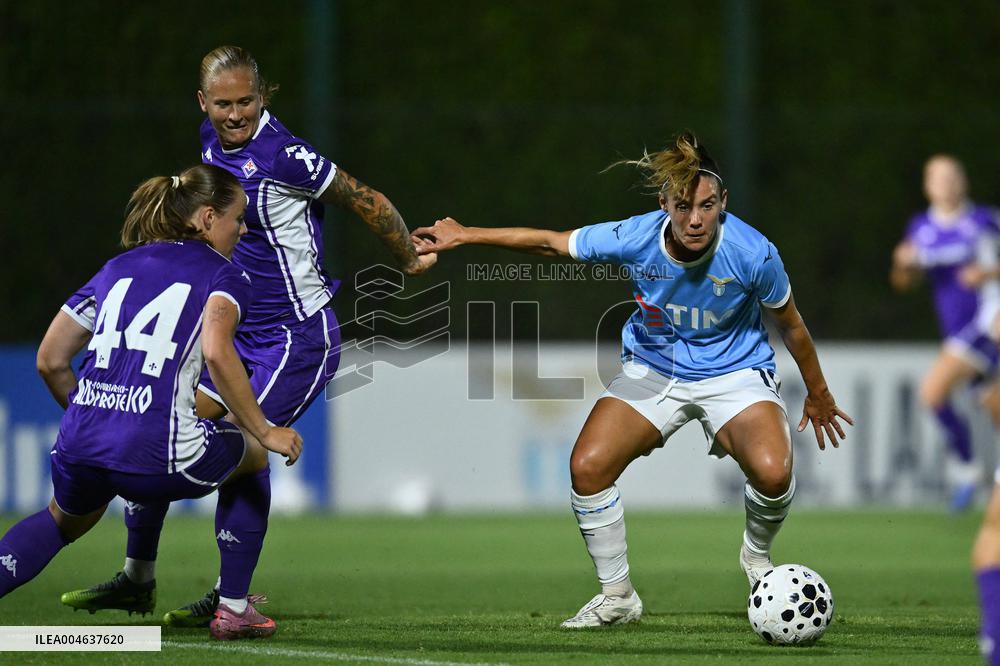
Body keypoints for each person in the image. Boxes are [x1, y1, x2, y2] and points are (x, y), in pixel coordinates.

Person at [60, 45, 436, 627]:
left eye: (246, 102)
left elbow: (368, 199)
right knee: (161, 423)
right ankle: (138, 578)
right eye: (223, 104)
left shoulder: (286, 156)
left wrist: (407, 257)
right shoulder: (209, 144)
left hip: (295, 338)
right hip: (235, 333)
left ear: (264, 97)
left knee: (247, 447)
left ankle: (231, 601)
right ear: (202, 102)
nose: (235, 115)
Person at [411, 132, 852, 627]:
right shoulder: (635, 236)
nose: (695, 219)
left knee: (773, 473)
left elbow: (791, 324)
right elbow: (552, 244)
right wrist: (465, 235)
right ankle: (618, 596)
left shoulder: (754, 253)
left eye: (707, 206)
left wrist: (818, 393)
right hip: (654, 369)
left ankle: (756, 557)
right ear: (664, 204)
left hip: (735, 371)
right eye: (683, 206)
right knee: (588, 468)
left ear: (724, 203)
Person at [0, 165, 302, 639]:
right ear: (208, 218)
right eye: (238, 219)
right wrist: (265, 430)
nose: (244, 230)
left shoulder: (116, 268)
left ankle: (137, 579)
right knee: (252, 453)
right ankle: (233, 607)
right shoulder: (226, 276)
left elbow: (50, 360)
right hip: (157, 453)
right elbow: (218, 351)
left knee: (60, 521)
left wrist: (102, 415)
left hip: (80, 444)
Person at [890, 154, 1000, 511]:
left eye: (954, 176)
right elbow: (903, 283)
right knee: (993, 404)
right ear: (928, 186)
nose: (948, 184)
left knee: (932, 391)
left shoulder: (984, 220)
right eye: (940, 178)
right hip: (954, 331)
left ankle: (968, 469)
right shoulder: (921, 227)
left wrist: (987, 274)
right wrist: (902, 265)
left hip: (987, 323)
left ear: (963, 181)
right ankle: (978, 475)